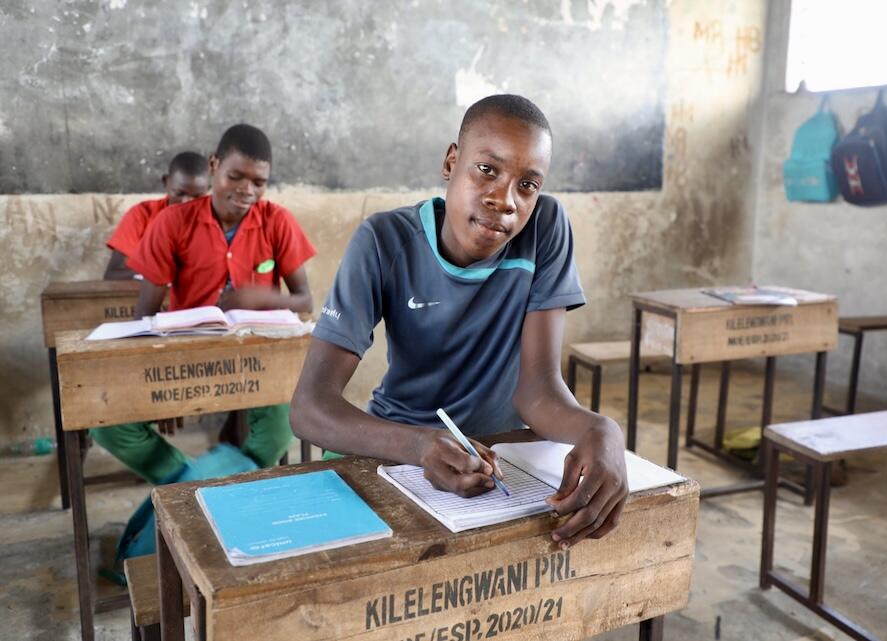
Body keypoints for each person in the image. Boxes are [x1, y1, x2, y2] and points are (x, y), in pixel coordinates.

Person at [291, 95, 628, 549]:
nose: (504, 200)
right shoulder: (385, 241)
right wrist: (419, 446)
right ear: (452, 162)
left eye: (527, 184)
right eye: (487, 170)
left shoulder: (544, 228)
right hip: (399, 447)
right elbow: (310, 408)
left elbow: (539, 388)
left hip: (501, 460)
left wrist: (601, 429)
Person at [91, 124, 316, 484]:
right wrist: (155, 382)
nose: (246, 191)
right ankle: (192, 484)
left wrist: (261, 297)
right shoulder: (171, 222)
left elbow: (305, 300)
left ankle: (214, 487)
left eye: (258, 183)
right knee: (105, 424)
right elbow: (145, 314)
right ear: (213, 165)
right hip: (188, 356)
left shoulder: (278, 222)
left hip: (255, 357)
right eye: (235, 176)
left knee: (284, 419)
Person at [104, 151, 210, 280]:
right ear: (166, 182)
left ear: (207, 191)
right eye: (179, 193)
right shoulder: (142, 215)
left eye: (197, 197)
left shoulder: (214, 221)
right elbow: (113, 274)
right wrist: (160, 272)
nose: (186, 203)